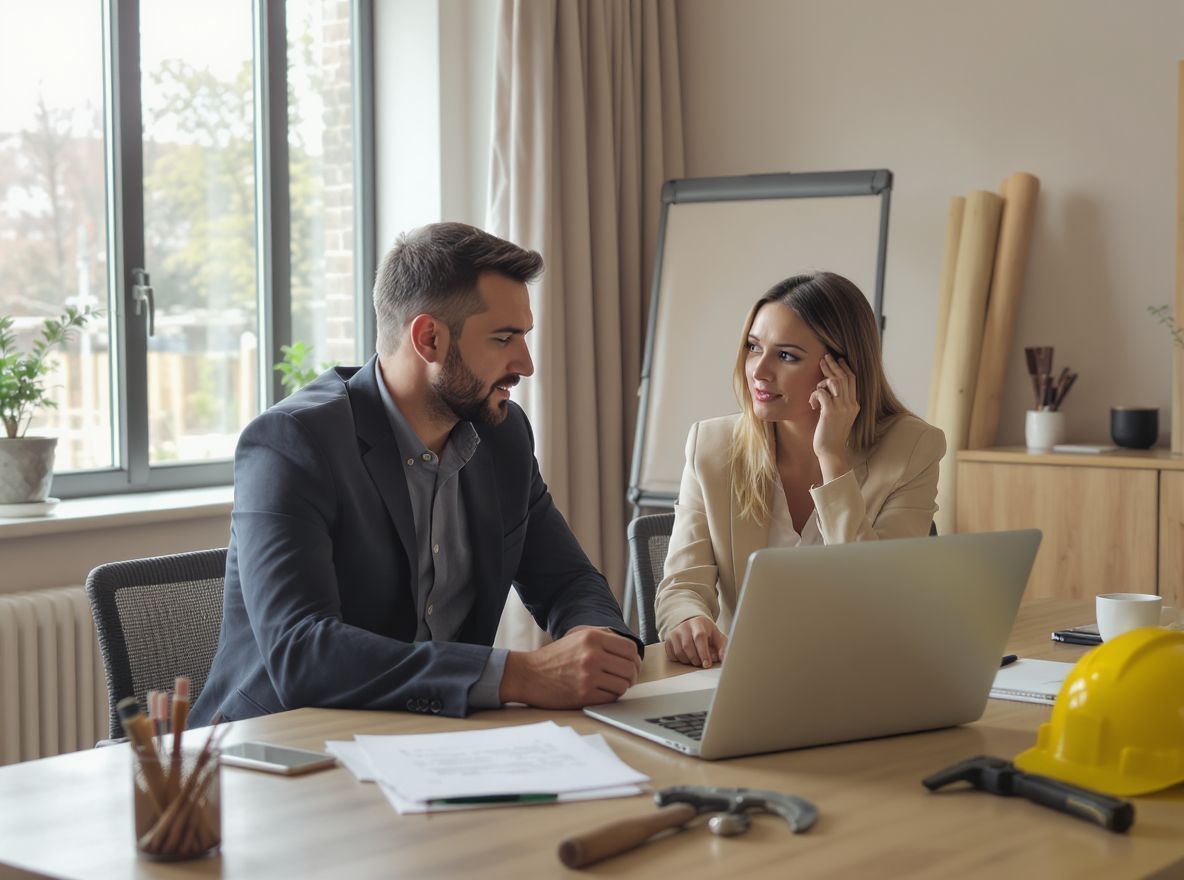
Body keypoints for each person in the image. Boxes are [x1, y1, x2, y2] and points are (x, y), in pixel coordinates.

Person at [192, 222, 642, 725]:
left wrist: (599, 644)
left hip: (431, 741)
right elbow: (302, 652)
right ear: (429, 337)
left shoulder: (503, 434)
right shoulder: (292, 443)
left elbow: (567, 579)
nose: (526, 363)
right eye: (504, 338)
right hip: (278, 749)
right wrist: (518, 675)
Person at [655, 271, 946, 668]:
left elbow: (878, 598)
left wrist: (832, 459)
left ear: (841, 369)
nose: (759, 371)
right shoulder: (711, 446)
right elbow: (682, 584)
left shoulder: (911, 449)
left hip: (859, 673)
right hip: (741, 676)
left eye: (787, 355)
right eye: (753, 347)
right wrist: (688, 619)